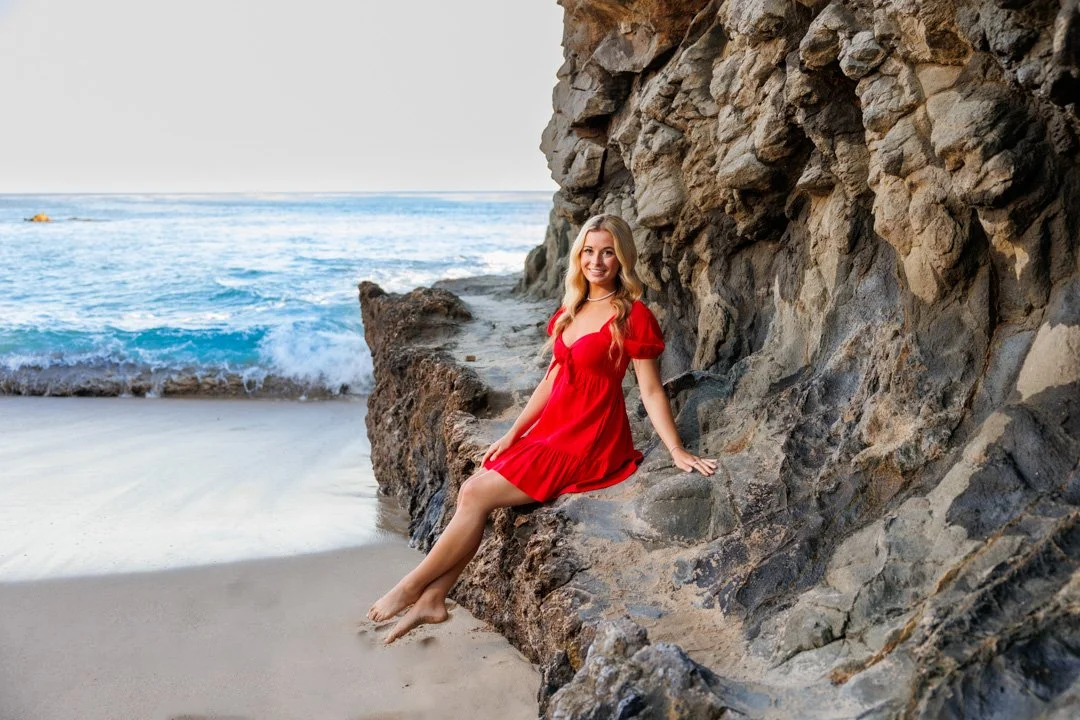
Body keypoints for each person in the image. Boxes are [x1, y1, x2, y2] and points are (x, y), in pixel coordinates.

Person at [367, 213, 717, 643]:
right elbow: (552, 379)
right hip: (553, 430)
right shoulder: (572, 309)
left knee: (475, 494)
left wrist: (676, 449)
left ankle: (411, 588)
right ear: (578, 256)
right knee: (473, 489)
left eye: (608, 252)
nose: (597, 261)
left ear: (622, 258)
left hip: (590, 439)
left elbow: (650, 390)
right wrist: (513, 434)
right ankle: (434, 599)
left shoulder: (633, 316)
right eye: (589, 251)